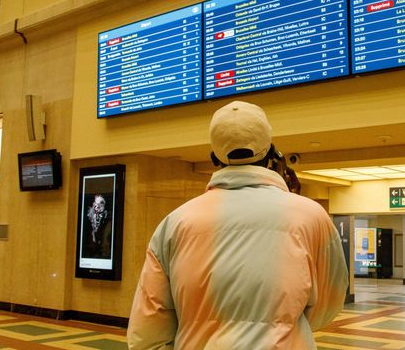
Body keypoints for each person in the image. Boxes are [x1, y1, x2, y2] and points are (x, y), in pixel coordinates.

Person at [127, 101, 349, 349]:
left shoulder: (175, 223)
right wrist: (284, 322)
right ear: (272, 153)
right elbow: (329, 303)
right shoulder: (311, 215)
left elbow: (148, 331)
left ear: (213, 157)